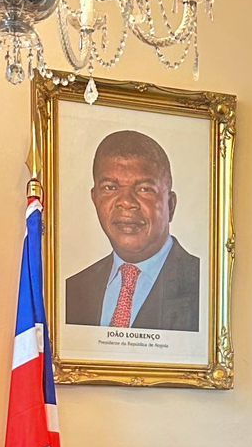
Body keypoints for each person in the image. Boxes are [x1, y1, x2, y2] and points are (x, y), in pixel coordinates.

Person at [63, 130, 201, 331]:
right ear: (95, 199)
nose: (126, 202)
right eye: (110, 187)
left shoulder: (203, 286)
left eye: (144, 189)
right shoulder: (74, 289)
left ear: (170, 205)